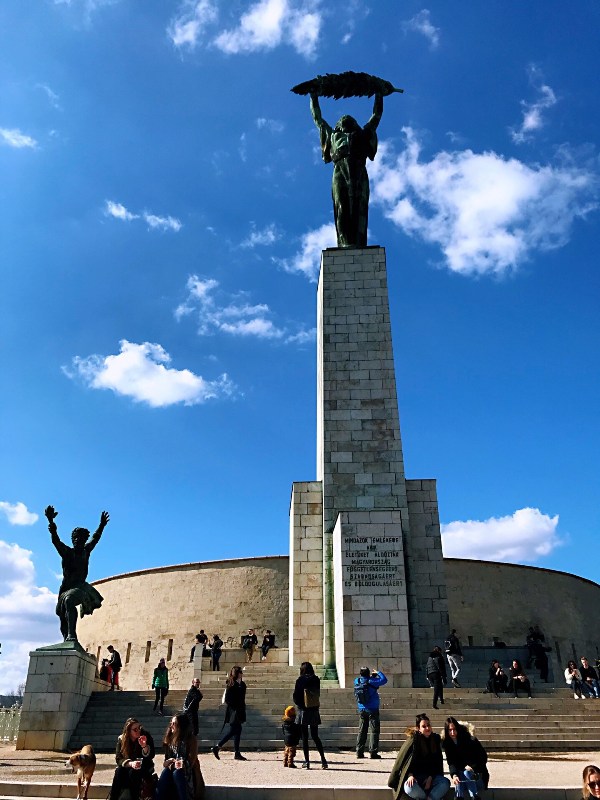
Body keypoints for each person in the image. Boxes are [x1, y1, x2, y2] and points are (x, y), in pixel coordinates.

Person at [309, 91, 383, 248]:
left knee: (359, 206)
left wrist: (379, 94)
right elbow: (318, 120)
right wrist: (313, 97)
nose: (345, 119)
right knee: (341, 205)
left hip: (359, 171)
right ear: (338, 126)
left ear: (355, 124)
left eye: (349, 119)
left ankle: (358, 241)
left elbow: (376, 116)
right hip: (339, 171)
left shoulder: (363, 134)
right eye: (342, 119)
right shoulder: (333, 135)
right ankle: (345, 242)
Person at [45, 505, 109, 642]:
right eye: (75, 539)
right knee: (63, 618)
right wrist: (50, 521)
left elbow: (95, 538)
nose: (77, 541)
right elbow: (56, 541)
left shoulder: (86, 551)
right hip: (66, 588)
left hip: (81, 588)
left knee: (69, 601)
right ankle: (67, 638)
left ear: (84, 541)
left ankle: (72, 635)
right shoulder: (67, 552)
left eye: (80, 539)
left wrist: (102, 525)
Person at [388, 713, 451, 800]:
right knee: (409, 788)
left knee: (445, 783)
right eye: (424, 726)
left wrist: (430, 778)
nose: (427, 728)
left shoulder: (435, 739)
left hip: (431, 777)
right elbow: (402, 761)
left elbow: (436, 763)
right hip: (415, 778)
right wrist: (409, 775)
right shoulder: (413, 741)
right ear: (418, 728)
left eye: (428, 725)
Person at [157, 713, 204, 800]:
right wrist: (168, 762)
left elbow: (191, 762)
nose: (171, 726)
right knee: (166, 772)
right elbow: (166, 761)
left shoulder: (191, 739)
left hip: (188, 775)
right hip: (172, 771)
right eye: (171, 723)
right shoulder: (169, 739)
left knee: (178, 772)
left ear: (181, 726)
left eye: (174, 724)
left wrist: (182, 764)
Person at [442, 716, 489, 799]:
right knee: (459, 774)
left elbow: (483, 757)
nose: (452, 733)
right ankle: (464, 797)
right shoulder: (448, 744)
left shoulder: (470, 740)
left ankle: (471, 796)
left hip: (477, 777)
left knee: (467, 772)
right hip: (462, 780)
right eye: (450, 730)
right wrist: (454, 775)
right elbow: (451, 762)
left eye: (454, 729)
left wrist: (472, 767)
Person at [109, 717, 155, 800]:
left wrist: (144, 747)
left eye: (139, 728)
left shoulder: (145, 736)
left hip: (144, 766)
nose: (138, 731)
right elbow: (118, 758)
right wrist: (130, 763)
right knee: (119, 771)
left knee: (134, 773)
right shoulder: (122, 739)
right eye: (135, 729)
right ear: (128, 731)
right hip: (128, 766)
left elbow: (151, 755)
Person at [293, 661, 328, 769]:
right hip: (313, 709)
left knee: (305, 737)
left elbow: (296, 696)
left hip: (303, 710)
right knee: (315, 736)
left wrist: (299, 704)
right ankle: (323, 760)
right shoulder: (316, 679)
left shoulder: (300, 680)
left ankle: (307, 761)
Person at [212, 666, 247, 761]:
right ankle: (218, 747)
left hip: (240, 711)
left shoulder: (242, 684)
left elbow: (242, 698)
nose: (242, 674)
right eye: (240, 672)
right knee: (234, 731)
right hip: (233, 711)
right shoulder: (231, 684)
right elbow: (227, 699)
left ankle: (236, 752)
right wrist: (235, 707)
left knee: (237, 731)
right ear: (237, 673)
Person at [354, 666, 388, 759]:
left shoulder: (357, 681)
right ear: (368, 673)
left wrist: (371, 677)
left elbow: (365, 681)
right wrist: (378, 673)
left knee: (362, 731)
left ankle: (359, 752)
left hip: (362, 708)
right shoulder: (372, 681)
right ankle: (373, 752)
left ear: (360, 673)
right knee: (374, 731)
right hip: (373, 708)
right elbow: (384, 680)